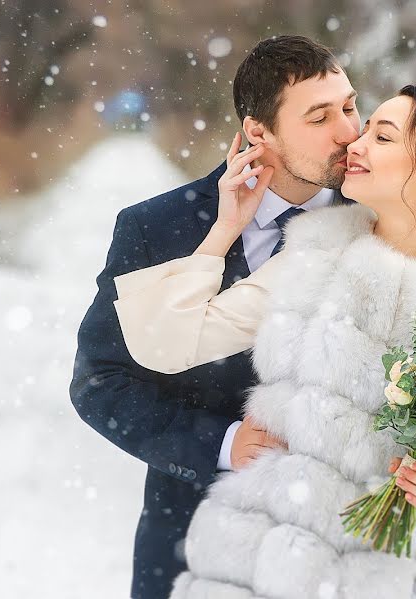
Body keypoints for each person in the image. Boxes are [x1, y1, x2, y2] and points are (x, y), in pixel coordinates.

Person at [113, 84, 416, 598]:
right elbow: (169, 341)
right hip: (261, 563)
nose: (356, 144)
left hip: (397, 574)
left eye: (382, 136)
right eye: (365, 128)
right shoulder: (313, 250)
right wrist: (226, 227)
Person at [69, 35, 363, 599]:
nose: (348, 132)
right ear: (259, 132)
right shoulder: (156, 229)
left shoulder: (382, 227)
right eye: (320, 117)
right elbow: (100, 383)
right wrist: (221, 444)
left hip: (336, 553)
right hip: (191, 540)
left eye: (349, 106)